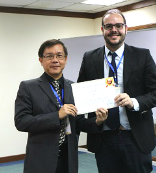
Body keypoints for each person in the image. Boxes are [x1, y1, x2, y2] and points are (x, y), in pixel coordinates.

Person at [77, 9, 156, 173]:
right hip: (104, 138)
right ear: (102, 30)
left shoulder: (142, 55)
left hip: (135, 137)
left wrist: (134, 102)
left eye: (118, 25)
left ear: (126, 29)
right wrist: (93, 121)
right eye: (109, 26)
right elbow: (82, 98)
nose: (114, 30)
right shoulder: (89, 58)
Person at [15, 39, 108, 173]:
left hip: (68, 157)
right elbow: (21, 122)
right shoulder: (28, 87)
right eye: (49, 56)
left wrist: (98, 121)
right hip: (41, 158)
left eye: (59, 55)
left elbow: (79, 122)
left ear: (65, 59)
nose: (55, 60)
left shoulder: (74, 87)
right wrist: (57, 116)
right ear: (41, 60)